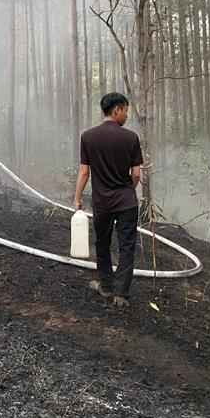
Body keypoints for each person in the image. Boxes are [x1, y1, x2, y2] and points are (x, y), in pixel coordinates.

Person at [73, 92, 143, 310]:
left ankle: (105, 286)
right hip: (127, 203)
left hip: (101, 202)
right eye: (126, 111)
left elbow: (84, 172)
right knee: (127, 246)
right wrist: (127, 192)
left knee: (102, 243)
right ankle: (121, 294)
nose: (127, 115)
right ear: (116, 110)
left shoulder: (88, 136)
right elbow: (137, 174)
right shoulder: (130, 138)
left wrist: (77, 199)